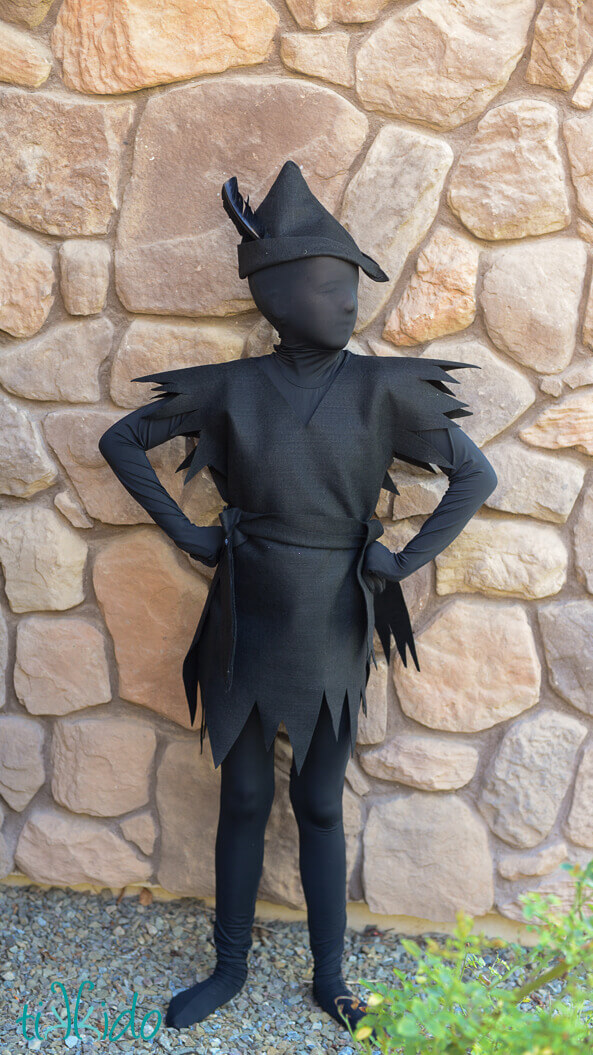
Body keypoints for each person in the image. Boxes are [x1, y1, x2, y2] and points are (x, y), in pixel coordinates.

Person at [98, 159, 498, 1034]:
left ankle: (330, 977)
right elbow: (123, 439)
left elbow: (475, 474)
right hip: (246, 611)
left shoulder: (384, 390)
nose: (347, 299)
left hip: (333, 615)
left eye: (350, 282)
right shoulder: (231, 390)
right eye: (326, 283)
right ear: (278, 295)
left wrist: (402, 560)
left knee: (319, 797)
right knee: (242, 793)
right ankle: (230, 966)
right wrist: (192, 535)